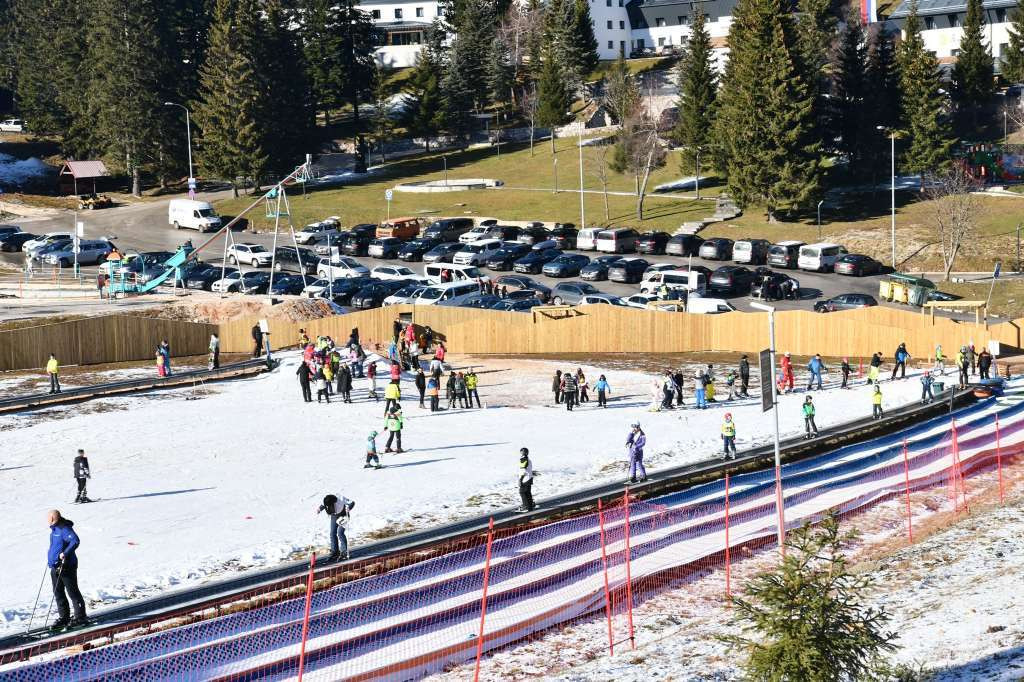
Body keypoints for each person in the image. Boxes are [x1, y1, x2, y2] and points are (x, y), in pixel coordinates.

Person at [46, 510, 87, 629]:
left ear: (54, 518)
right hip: (55, 566)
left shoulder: (64, 529)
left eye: (49, 518)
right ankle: (64, 617)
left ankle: (80, 617)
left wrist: (65, 553)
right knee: (58, 592)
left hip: (67, 566)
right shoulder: (54, 530)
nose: (47, 520)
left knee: (72, 592)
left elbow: (75, 540)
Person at [317, 495, 355, 561]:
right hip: (334, 516)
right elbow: (323, 505)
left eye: (329, 505)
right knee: (332, 533)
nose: (328, 507)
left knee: (340, 533)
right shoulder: (327, 500)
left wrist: (349, 507)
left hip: (344, 516)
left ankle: (344, 552)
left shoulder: (340, 498)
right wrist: (319, 509)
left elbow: (352, 502)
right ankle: (335, 552)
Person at [518, 448, 535, 512]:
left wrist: (520, 479)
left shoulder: (523, 459)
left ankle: (525, 506)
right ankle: (530, 505)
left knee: (522, 492)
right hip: (529, 478)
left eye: (522, 452)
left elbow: (523, 470)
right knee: (528, 493)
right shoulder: (528, 459)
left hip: (525, 479)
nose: (521, 453)